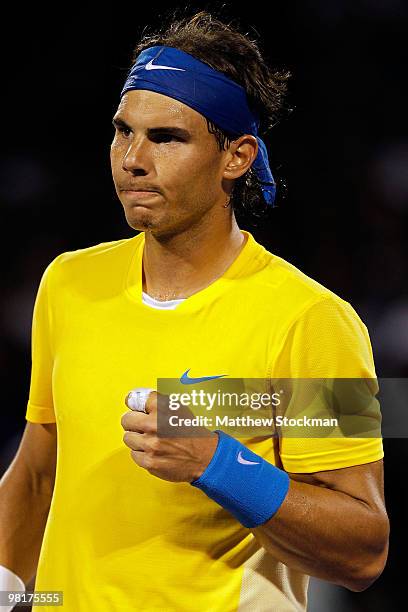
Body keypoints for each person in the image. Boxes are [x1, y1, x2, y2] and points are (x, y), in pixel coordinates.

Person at [0, 11, 389, 612]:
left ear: (236, 157)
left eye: (166, 138)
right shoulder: (70, 284)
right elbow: (35, 476)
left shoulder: (313, 319)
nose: (132, 159)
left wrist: (219, 464)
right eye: (123, 132)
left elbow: (364, 549)